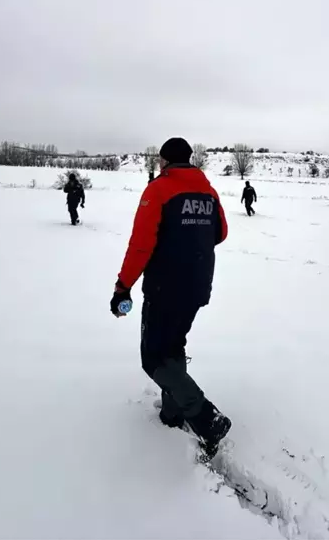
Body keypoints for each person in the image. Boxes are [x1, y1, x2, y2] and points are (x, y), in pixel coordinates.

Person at [110, 137, 230, 458]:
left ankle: (206, 417)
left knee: (153, 358)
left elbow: (141, 245)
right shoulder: (208, 190)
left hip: (165, 288)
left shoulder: (159, 189)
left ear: (164, 161)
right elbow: (221, 232)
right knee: (173, 346)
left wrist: (123, 287)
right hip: (197, 285)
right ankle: (172, 413)